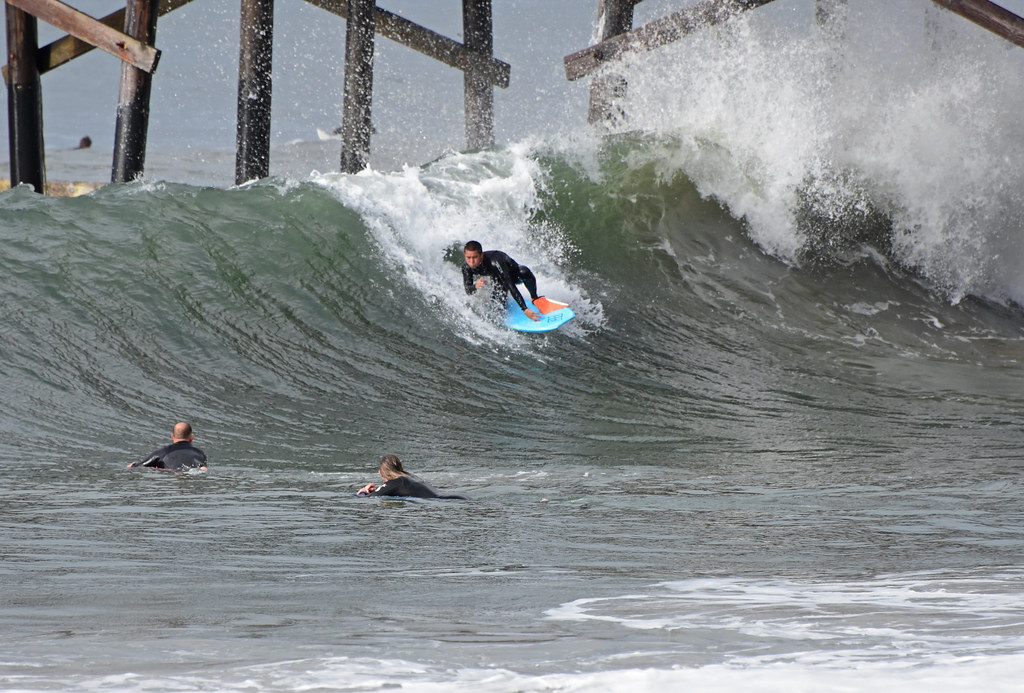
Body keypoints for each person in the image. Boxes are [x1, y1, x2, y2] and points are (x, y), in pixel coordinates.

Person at [462, 240, 541, 321]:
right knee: (497, 308)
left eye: (475, 257)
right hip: (498, 279)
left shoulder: (494, 262)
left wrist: (524, 309)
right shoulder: (466, 267)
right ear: (465, 256)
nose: (471, 262)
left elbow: (510, 285)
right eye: (468, 257)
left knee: (524, 272)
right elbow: (468, 290)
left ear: (481, 255)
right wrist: (475, 286)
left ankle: (534, 297)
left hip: (514, 275)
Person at [357, 454, 466, 499]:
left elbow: (368, 499)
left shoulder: (396, 483)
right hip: (456, 498)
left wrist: (363, 492)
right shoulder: (411, 477)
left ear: (381, 473)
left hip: (449, 502)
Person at [127, 422, 208, 471]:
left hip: (172, 471)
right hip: (193, 471)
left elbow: (140, 466)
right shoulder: (200, 453)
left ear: (172, 436)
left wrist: (133, 465)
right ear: (191, 438)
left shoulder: (163, 452)